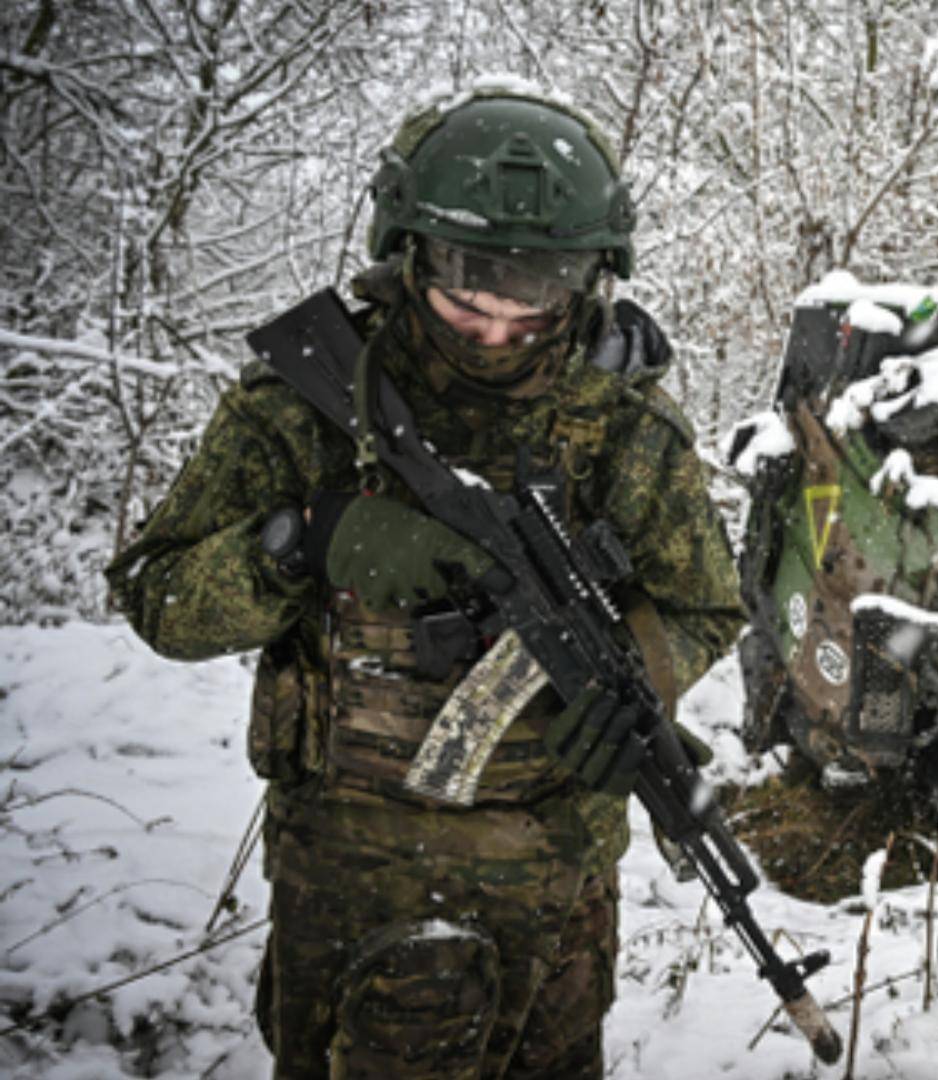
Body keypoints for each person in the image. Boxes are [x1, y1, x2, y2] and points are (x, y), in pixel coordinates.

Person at [105, 83, 745, 1078]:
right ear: (405, 256)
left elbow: (708, 603)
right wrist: (306, 541)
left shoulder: (622, 428)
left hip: (557, 882)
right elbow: (159, 598)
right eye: (463, 301)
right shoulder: (310, 404)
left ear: (588, 283)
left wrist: (636, 677)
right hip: (354, 876)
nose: (493, 333)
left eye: (529, 310)